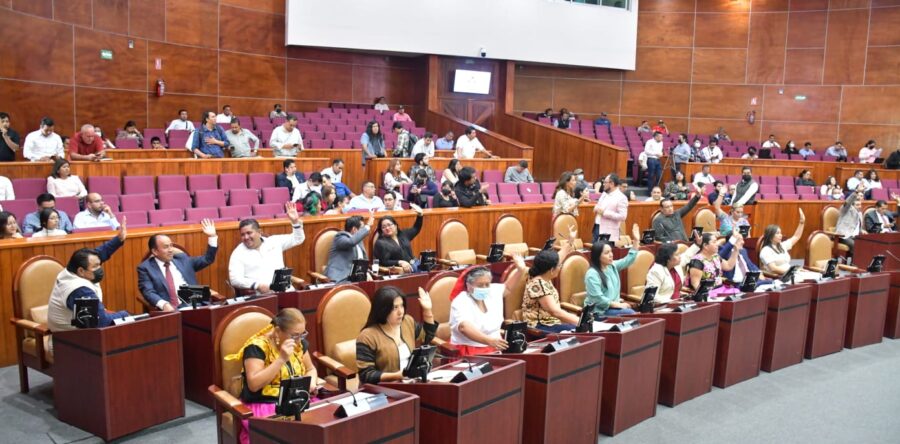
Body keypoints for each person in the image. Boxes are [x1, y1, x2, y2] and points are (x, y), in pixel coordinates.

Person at [229, 308, 318, 444]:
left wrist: (312, 383)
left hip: (297, 401)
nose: (299, 340)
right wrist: (281, 359)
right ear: (277, 331)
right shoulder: (257, 347)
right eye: (294, 335)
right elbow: (253, 384)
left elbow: (311, 368)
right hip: (266, 404)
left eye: (302, 334)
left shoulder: (299, 344)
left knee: (320, 430)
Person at [47, 221, 130, 332]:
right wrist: (126, 315)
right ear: (81, 271)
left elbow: (98, 254)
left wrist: (118, 239)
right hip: (70, 340)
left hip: (82, 332)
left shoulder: (71, 270)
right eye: (95, 267)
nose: (100, 268)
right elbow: (99, 322)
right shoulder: (80, 290)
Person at [357, 286, 437, 383]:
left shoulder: (407, 322)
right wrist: (398, 375)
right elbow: (366, 375)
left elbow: (428, 336)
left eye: (402, 305)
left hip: (412, 382)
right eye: (395, 308)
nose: (400, 312)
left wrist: (427, 309)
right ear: (383, 310)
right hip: (386, 389)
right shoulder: (367, 336)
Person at [138, 219, 218, 311]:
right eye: (166, 247)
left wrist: (212, 236)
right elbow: (148, 292)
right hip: (171, 310)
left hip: (195, 305)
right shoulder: (145, 268)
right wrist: (164, 304)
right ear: (155, 251)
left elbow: (207, 259)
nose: (171, 250)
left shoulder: (182, 260)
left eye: (171, 245)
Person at [228, 203, 306, 293]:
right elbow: (235, 280)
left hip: (285, 292)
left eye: (249, 233)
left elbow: (298, 239)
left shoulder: (274, 242)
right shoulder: (238, 253)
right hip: (260, 297)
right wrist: (257, 285)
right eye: (242, 235)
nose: (246, 237)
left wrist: (295, 222)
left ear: (259, 232)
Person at [521, 226, 581, 332]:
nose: (560, 267)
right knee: (580, 331)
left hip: (553, 323)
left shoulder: (544, 272)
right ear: (551, 270)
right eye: (559, 266)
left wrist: (571, 239)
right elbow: (555, 312)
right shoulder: (538, 285)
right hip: (541, 326)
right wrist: (580, 322)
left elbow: (560, 255)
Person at [584, 224, 643, 317]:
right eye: (607, 253)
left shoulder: (611, 266)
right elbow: (597, 299)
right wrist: (618, 305)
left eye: (611, 251)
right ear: (598, 256)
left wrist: (636, 240)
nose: (611, 255)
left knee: (634, 314)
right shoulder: (592, 274)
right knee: (631, 314)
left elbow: (628, 260)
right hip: (599, 312)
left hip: (612, 307)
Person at [758, 211, 820, 281]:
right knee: (810, 279)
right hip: (782, 276)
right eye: (777, 233)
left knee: (817, 276)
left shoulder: (782, 245)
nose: (780, 235)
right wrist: (793, 271)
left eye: (780, 233)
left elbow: (796, 236)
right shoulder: (766, 250)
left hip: (791, 273)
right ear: (770, 235)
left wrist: (801, 223)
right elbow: (773, 268)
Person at [324, 212, 374, 282]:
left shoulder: (359, 241)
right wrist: (368, 226)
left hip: (357, 278)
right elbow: (351, 242)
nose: (364, 232)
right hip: (340, 279)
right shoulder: (340, 237)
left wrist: (366, 272)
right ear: (354, 229)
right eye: (362, 228)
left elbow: (362, 261)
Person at [688, 232, 739, 299]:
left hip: (720, 289)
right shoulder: (697, 260)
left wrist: (736, 250)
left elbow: (729, 266)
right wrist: (708, 296)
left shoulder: (715, 256)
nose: (717, 244)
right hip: (709, 293)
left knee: (737, 293)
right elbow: (695, 284)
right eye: (714, 242)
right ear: (705, 245)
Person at [374, 205, 423, 273]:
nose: (387, 228)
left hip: (416, 264)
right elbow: (383, 262)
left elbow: (416, 228)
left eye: (389, 225)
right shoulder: (380, 243)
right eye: (384, 227)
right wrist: (399, 262)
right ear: (381, 230)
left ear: (395, 225)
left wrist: (420, 216)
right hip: (401, 270)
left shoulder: (403, 234)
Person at [591, 173, 628, 244]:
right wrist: (596, 208)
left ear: (612, 183)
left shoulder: (621, 198)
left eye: (605, 182)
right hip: (597, 226)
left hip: (609, 232)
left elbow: (623, 217)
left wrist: (604, 213)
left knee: (605, 253)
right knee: (594, 252)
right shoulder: (604, 193)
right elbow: (598, 205)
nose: (603, 184)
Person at [835, 188, 864, 258]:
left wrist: (862, 231)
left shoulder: (860, 214)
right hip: (844, 236)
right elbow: (847, 202)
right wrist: (856, 192)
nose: (859, 207)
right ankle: (854, 264)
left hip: (855, 236)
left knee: (866, 243)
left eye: (860, 205)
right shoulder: (846, 210)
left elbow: (858, 227)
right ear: (852, 205)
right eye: (857, 205)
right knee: (855, 244)